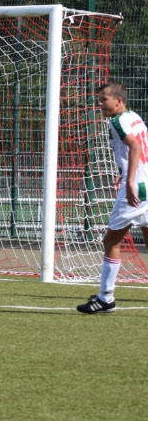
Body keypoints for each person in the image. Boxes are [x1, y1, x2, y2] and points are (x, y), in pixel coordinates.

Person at [77, 82, 148, 314]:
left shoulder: (117, 121)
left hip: (136, 189)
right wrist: (123, 172)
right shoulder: (135, 117)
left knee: (111, 242)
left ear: (118, 101)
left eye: (104, 99)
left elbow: (135, 146)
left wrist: (129, 180)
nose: (100, 104)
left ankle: (106, 298)